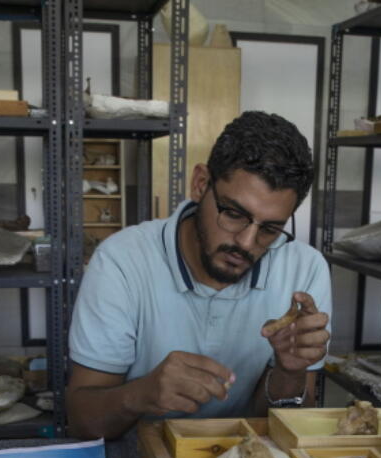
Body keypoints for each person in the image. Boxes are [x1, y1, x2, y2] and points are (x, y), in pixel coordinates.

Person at [66, 111, 331, 440]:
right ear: (200, 184)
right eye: (233, 214)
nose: (247, 243)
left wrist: (289, 372)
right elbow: (81, 422)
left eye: (271, 228)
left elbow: (287, 425)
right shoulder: (121, 261)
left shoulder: (305, 269)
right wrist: (142, 394)